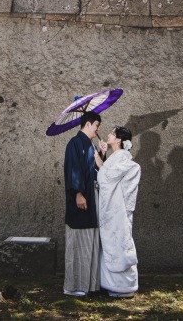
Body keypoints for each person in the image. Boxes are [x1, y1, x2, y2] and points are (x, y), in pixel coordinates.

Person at [95, 125, 141, 298]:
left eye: (112, 133)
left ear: (119, 140)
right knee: (111, 243)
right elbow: (108, 173)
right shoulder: (116, 157)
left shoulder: (123, 159)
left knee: (118, 242)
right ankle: (112, 284)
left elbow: (107, 177)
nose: (108, 134)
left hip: (117, 211)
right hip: (113, 210)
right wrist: (102, 154)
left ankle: (123, 286)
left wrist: (99, 162)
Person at [63, 111, 105, 297]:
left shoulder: (91, 145)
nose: (97, 130)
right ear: (88, 124)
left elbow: (95, 171)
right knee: (79, 242)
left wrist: (102, 153)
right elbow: (73, 169)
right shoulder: (75, 143)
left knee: (90, 241)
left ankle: (89, 285)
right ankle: (75, 286)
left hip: (92, 199)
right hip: (82, 198)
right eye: (96, 125)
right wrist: (78, 193)